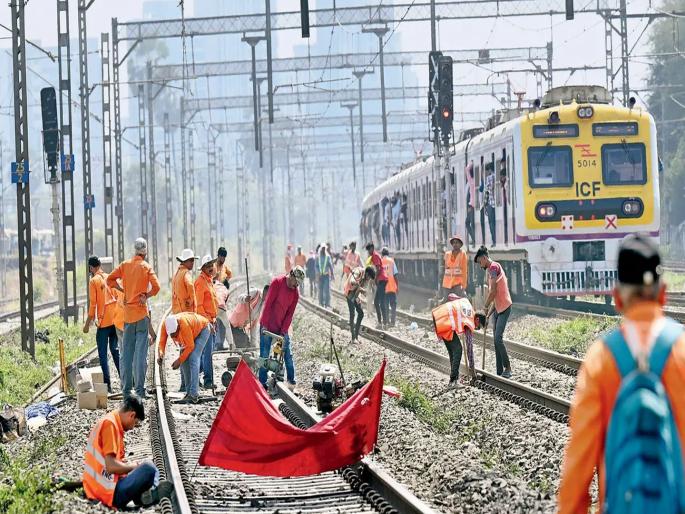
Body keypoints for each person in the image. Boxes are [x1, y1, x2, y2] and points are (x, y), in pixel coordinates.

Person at [558, 235, 685, 513]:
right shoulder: (682, 351)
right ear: (663, 294)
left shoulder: (601, 359)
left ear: (617, 298)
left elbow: (578, 467)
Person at [82, 396, 173, 509]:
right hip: (108, 493)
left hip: (102, 487)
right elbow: (111, 467)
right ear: (132, 415)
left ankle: (146, 494)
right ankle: (151, 492)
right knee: (149, 467)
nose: (133, 427)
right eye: (135, 423)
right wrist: (133, 467)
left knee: (147, 466)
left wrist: (130, 467)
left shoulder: (111, 421)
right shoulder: (110, 425)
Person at [107, 238, 160, 399]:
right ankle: (139, 391)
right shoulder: (146, 267)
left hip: (128, 316)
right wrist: (146, 296)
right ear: (145, 252)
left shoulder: (125, 265)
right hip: (141, 315)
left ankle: (126, 391)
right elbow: (157, 287)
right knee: (140, 355)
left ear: (134, 250)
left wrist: (121, 289)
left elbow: (109, 279)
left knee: (127, 355)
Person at [258, 267, 303, 389]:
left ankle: (291, 382)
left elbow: (289, 315)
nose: (296, 285)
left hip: (281, 327)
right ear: (291, 275)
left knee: (287, 354)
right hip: (267, 325)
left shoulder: (295, 294)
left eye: (299, 283)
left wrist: (283, 332)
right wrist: (265, 325)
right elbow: (268, 304)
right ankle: (262, 384)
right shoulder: (277, 282)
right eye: (296, 282)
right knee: (264, 355)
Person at [83, 256, 121, 393]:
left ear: (91, 267)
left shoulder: (93, 281)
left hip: (104, 322)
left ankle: (107, 386)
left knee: (103, 355)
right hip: (115, 320)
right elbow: (118, 296)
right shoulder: (109, 277)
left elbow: (93, 305)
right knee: (115, 351)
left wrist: (87, 324)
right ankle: (126, 381)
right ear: (100, 265)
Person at [431, 290, 482, 388]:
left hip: (439, 316)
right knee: (458, 349)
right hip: (445, 322)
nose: (475, 328)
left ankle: (454, 380)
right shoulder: (470, 321)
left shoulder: (466, 303)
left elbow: (451, 296)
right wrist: (473, 371)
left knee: (453, 351)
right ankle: (453, 381)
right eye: (478, 327)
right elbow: (469, 349)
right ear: (477, 319)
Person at [158, 312, 211, 403]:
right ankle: (188, 392)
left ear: (178, 326)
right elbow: (162, 342)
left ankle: (193, 394)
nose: (174, 336)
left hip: (203, 330)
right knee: (184, 361)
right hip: (192, 332)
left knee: (193, 357)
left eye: (175, 334)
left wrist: (179, 360)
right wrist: (161, 354)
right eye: (171, 335)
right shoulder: (165, 325)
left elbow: (190, 346)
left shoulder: (184, 325)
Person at [475, 246, 512, 378]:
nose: (480, 265)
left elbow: (493, 292)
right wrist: (488, 314)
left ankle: (508, 368)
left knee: (497, 339)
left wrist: (484, 307)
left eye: (480, 262)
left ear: (484, 258)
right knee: (496, 341)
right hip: (497, 308)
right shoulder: (491, 269)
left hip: (505, 308)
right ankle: (499, 371)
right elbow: (495, 298)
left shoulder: (494, 268)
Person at [194, 255, 218, 389]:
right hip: (205, 322)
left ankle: (197, 376)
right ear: (203, 268)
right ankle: (208, 380)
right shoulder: (200, 282)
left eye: (211, 265)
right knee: (207, 353)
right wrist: (208, 322)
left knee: (207, 352)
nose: (210, 268)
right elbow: (199, 306)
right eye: (208, 266)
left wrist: (214, 319)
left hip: (211, 321)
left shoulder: (209, 281)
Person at [344, 266, 375, 343]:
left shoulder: (367, 279)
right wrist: (356, 283)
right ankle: (353, 338)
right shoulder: (358, 271)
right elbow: (352, 281)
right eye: (369, 278)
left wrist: (364, 292)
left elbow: (362, 290)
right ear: (367, 274)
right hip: (349, 292)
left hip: (356, 294)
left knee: (361, 314)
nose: (369, 280)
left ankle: (356, 337)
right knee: (352, 314)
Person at [365, 242, 389, 328]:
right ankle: (380, 322)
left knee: (381, 302)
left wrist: (374, 279)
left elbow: (378, 268)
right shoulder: (374, 256)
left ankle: (384, 323)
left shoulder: (375, 256)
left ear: (372, 248)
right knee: (376, 302)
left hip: (382, 280)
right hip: (381, 280)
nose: (368, 252)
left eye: (369, 250)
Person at [171, 248, 197, 314]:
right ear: (184, 261)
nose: (193, 263)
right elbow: (190, 285)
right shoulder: (186, 273)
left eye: (193, 260)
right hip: (187, 313)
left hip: (177, 312)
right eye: (191, 260)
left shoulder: (176, 274)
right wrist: (191, 300)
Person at [381, 247, 399, 327]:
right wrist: (397, 286)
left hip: (384, 288)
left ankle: (386, 321)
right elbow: (395, 275)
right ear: (388, 253)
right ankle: (393, 322)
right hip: (392, 287)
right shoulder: (391, 261)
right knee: (393, 305)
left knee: (385, 305)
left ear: (382, 254)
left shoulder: (380, 261)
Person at [213, 277, 231, 350]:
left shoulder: (214, 286)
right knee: (226, 326)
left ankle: (217, 345)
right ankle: (230, 344)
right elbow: (225, 301)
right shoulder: (226, 290)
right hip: (221, 308)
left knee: (216, 326)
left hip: (214, 307)